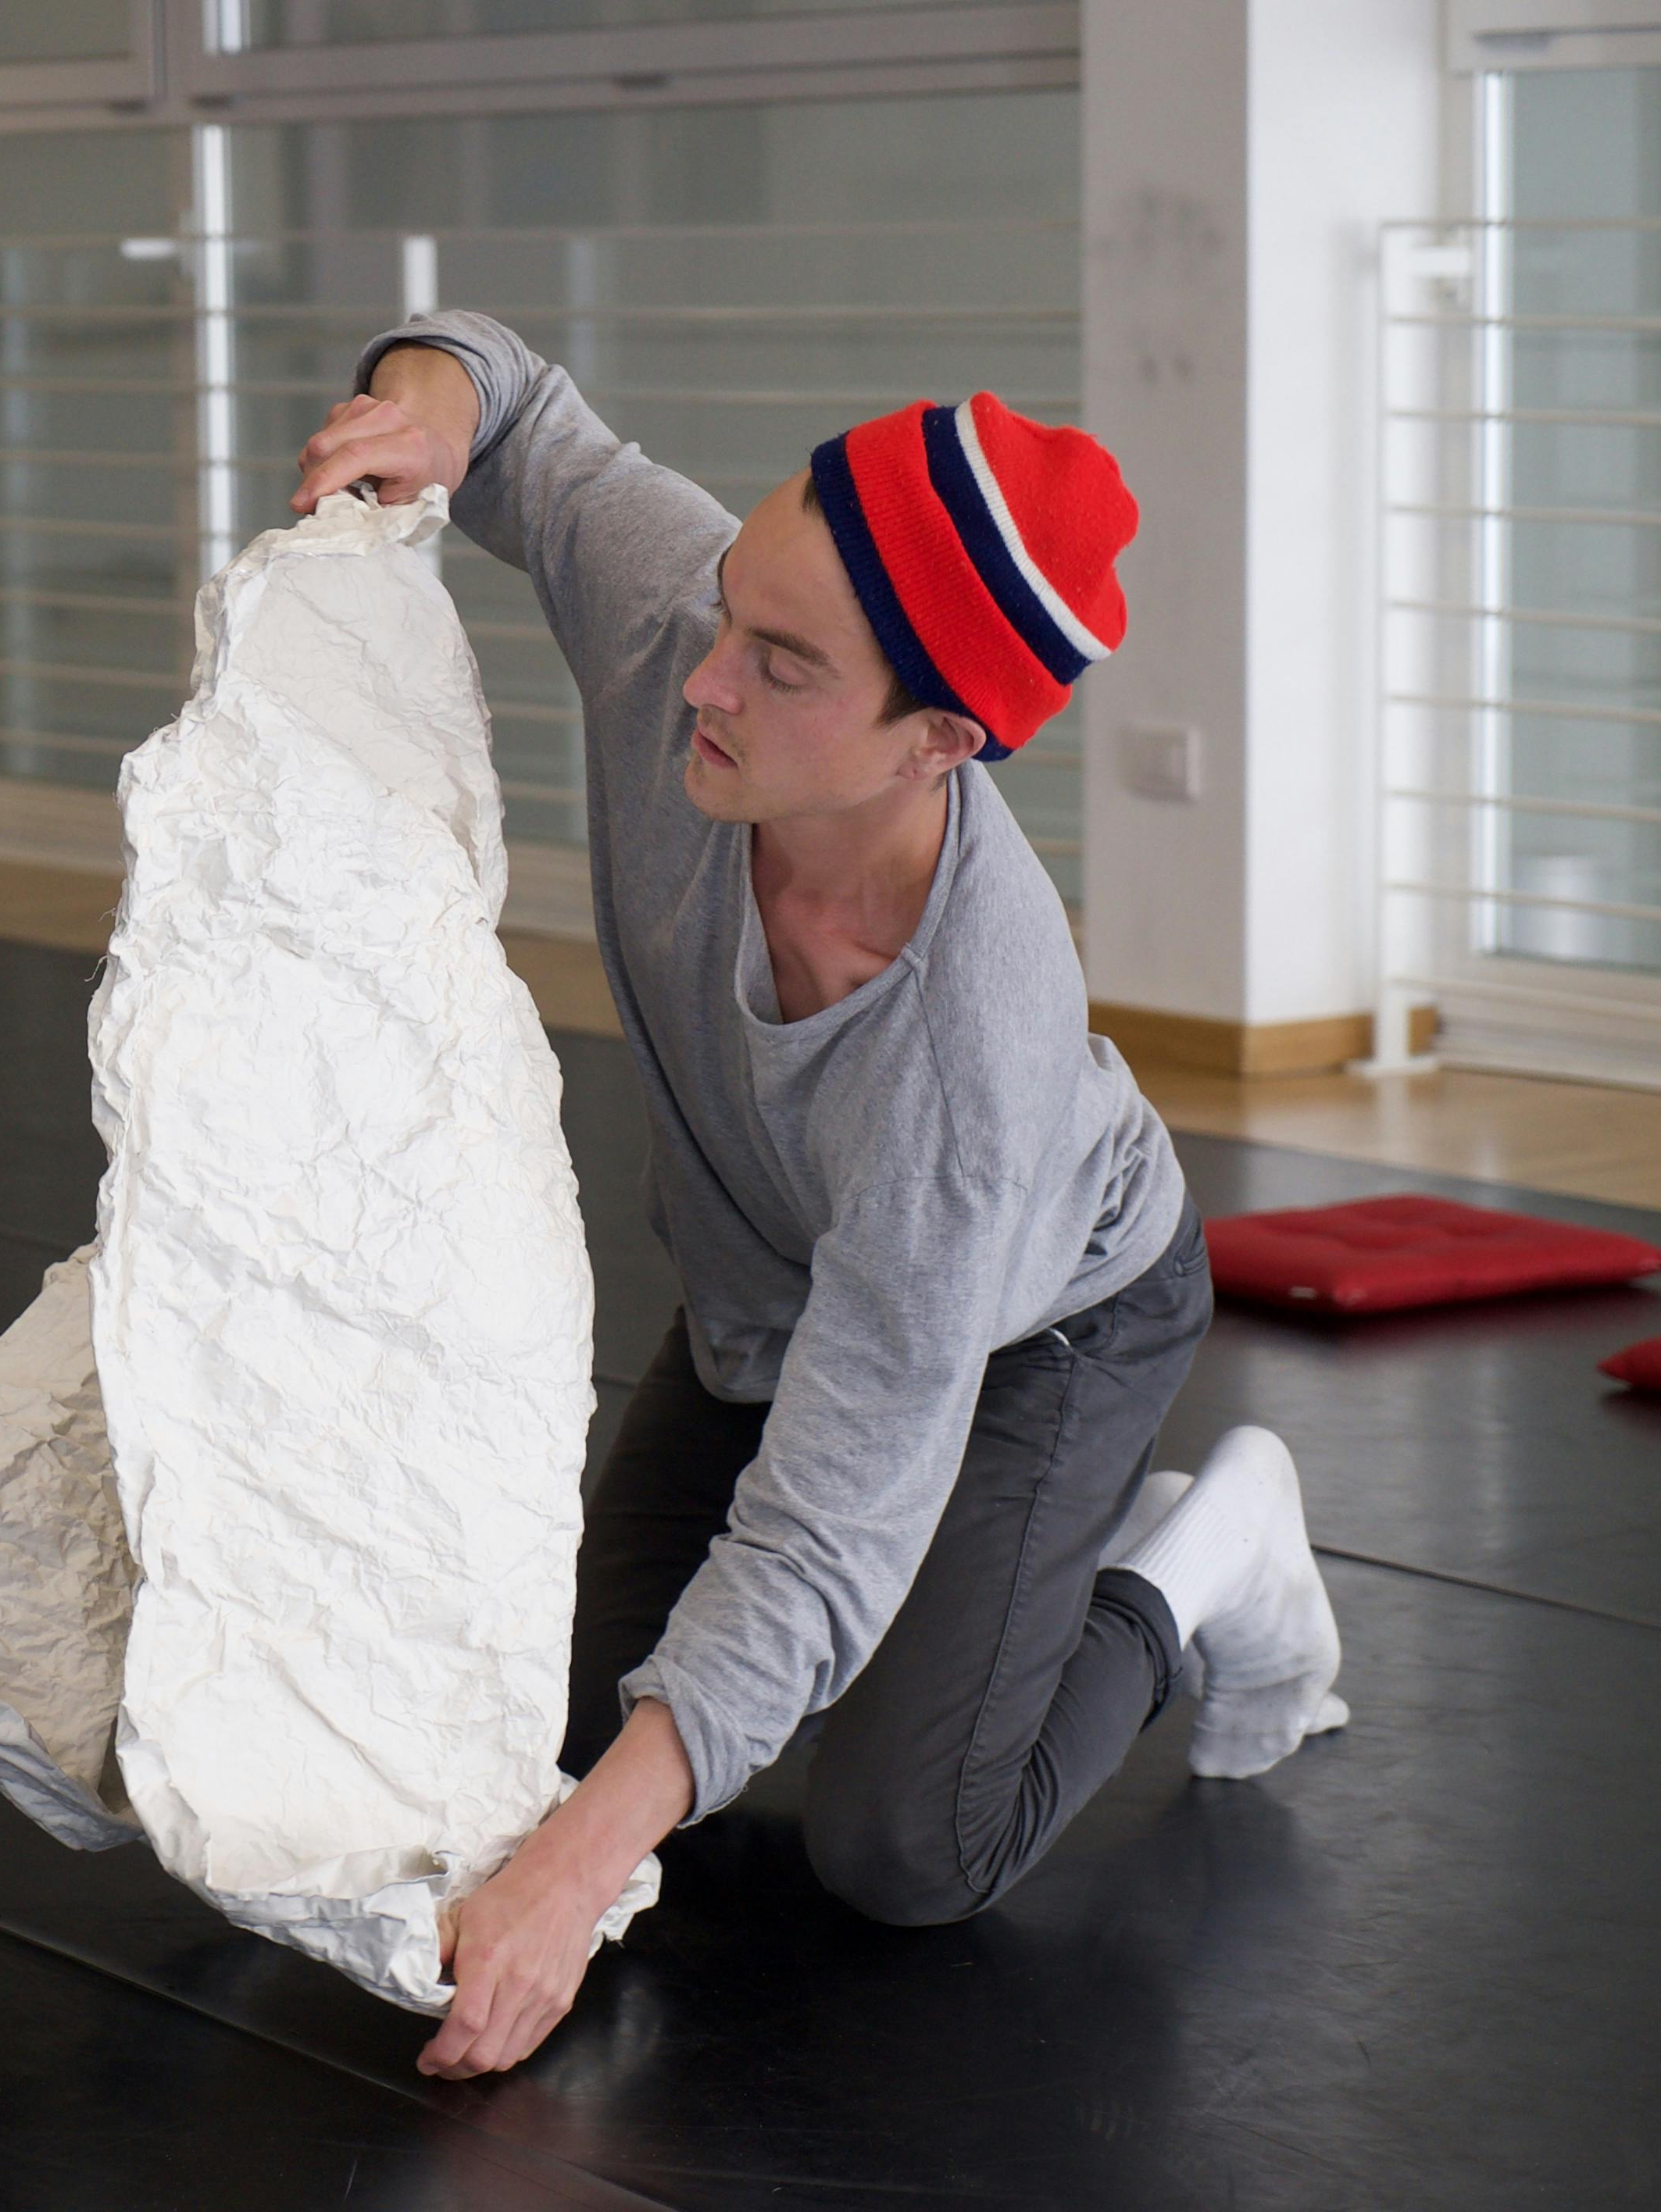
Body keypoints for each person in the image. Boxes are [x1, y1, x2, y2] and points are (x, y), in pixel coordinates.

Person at [288, 313, 1351, 2082]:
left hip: (1045, 1317)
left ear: (936, 738)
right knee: (560, 1739)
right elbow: (518, 403)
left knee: (904, 1851)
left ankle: (1201, 1551)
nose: (706, 677)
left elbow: (829, 1519)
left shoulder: (968, 1060)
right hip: (772, 1300)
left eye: (780, 665)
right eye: (731, 613)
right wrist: (417, 406)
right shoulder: (688, 637)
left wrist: (566, 1880)